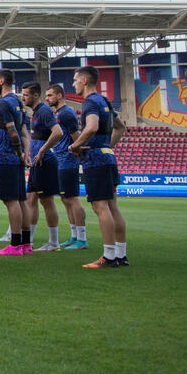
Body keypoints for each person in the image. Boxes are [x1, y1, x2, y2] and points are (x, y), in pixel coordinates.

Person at [68, 65, 128, 268]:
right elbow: (121, 127)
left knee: (100, 207)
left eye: (75, 80)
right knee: (112, 206)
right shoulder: (105, 101)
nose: (73, 84)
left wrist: (75, 146)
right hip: (108, 158)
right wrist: (107, 146)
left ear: (85, 81)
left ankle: (109, 256)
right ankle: (120, 254)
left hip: (96, 160)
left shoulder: (90, 102)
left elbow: (91, 127)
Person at [0, 69, 32, 256]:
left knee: (11, 201)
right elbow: (25, 132)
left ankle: (15, 244)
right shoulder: (18, 102)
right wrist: (25, 154)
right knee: (21, 200)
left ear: (1, 81)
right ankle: (26, 243)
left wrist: (17, 152)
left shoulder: (5, 103)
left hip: (7, 156)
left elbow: (13, 132)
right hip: (17, 157)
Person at [46, 83, 88, 249]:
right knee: (65, 199)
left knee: (73, 198)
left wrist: (77, 155)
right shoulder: (60, 113)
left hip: (69, 160)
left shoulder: (66, 113)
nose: (47, 98)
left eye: (50, 95)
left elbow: (77, 137)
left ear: (59, 96)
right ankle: (74, 236)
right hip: (62, 160)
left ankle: (82, 239)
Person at [22, 81, 64, 251]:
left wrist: (42, 151)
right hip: (37, 163)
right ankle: (29, 241)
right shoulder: (37, 112)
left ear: (35, 95)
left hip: (45, 162)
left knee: (46, 201)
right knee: (31, 199)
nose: (23, 97)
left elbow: (58, 132)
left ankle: (54, 242)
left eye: (25, 94)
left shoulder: (44, 111)